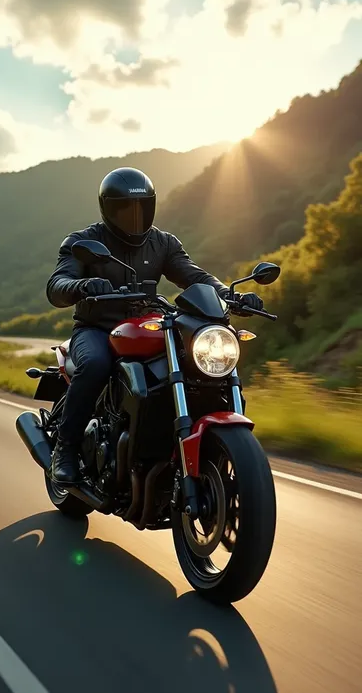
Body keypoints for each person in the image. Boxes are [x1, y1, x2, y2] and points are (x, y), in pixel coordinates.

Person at [46, 167, 263, 484]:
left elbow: (196, 277)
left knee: (200, 364)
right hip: (97, 330)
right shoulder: (84, 241)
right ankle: (65, 451)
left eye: (141, 207)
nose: (133, 215)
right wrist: (82, 286)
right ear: (107, 208)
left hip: (150, 327)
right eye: (123, 208)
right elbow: (57, 284)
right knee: (94, 365)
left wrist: (230, 295)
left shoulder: (163, 243)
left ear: (152, 205)